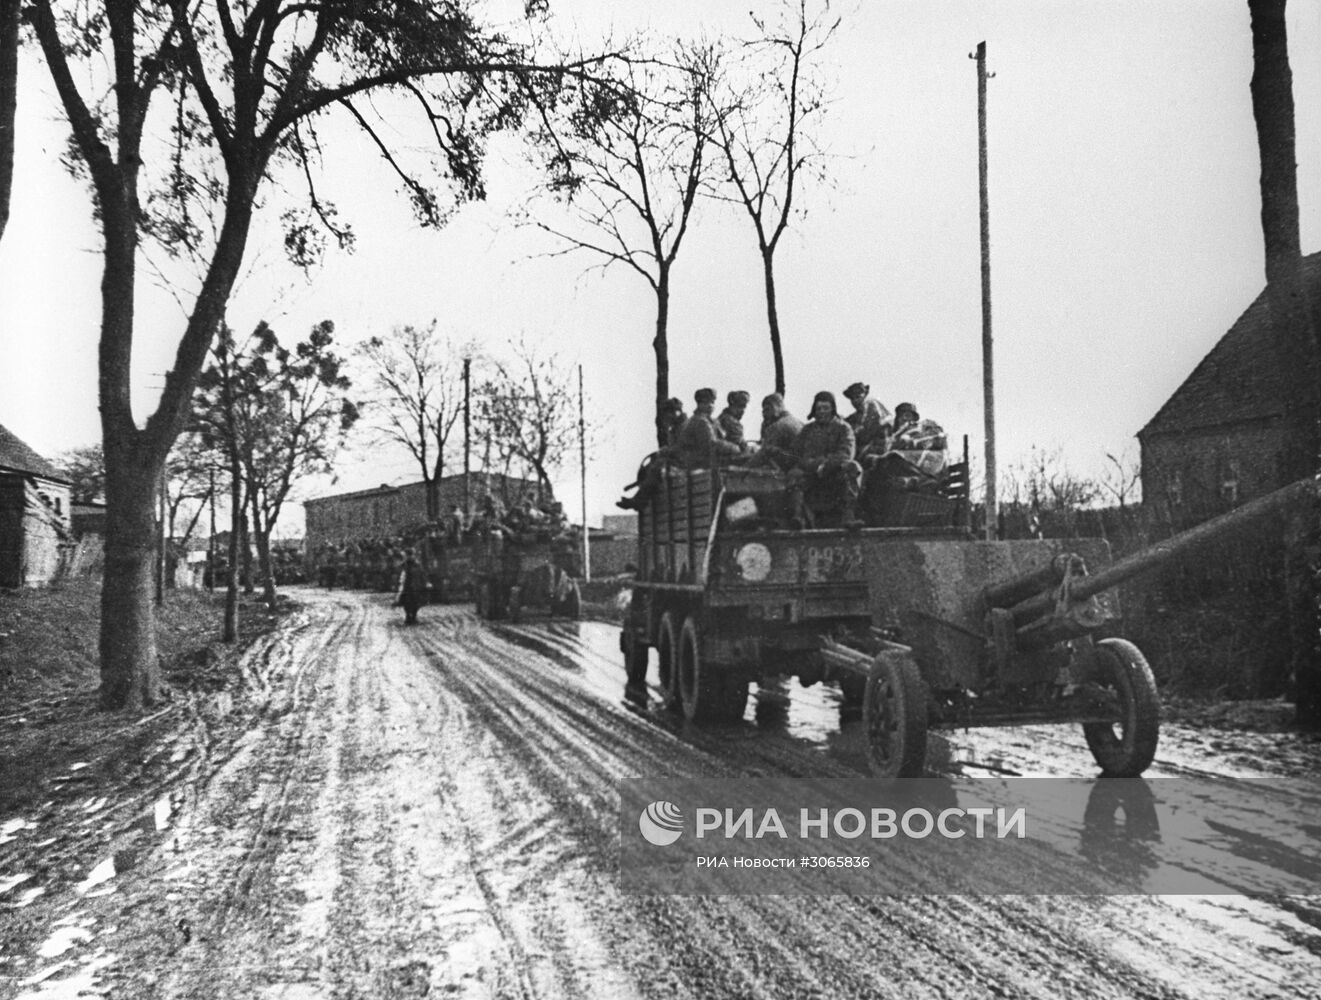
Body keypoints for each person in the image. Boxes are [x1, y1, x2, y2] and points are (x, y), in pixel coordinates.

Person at [787, 390, 862, 528]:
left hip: (834, 473)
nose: (822, 412)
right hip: (811, 473)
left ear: (833, 409)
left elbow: (845, 453)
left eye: (826, 408)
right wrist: (814, 466)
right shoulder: (807, 430)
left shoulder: (844, 428)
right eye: (819, 408)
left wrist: (826, 466)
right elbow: (796, 454)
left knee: (852, 467)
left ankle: (848, 517)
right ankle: (798, 517)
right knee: (794, 474)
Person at [673, 387, 747, 468]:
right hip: (702, 464)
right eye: (707, 403)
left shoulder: (710, 420)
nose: (711, 406)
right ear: (699, 404)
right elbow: (712, 444)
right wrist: (735, 448)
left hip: (706, 462)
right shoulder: (700, 421)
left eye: (712, 402)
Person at [751, 392, 803, 470]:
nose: (764, 414)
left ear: (774, 407)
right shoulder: (799, 422)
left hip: (790, 467)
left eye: (766, 409)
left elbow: (763, 453)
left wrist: (743, 468)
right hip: (801, 465)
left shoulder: (777, 426)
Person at [843, 381, 893, 461]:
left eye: (858, 396)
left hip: (879, 446)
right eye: (852, 398)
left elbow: (868, 431)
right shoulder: (854, 416)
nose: (855, 401)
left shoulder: (872, 405)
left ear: (865, 395)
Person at [395, 550, 429, 625]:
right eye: (408, 555)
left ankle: (413, 616)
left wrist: (424, 583)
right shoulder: (404, 565)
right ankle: (408, 617)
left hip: (416, 586)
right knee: (406, 603)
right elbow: (399, 575)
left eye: (411, 555)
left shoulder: (417, 565)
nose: (410, 557)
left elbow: (422, 574)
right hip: (407, 587)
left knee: (416, 602)